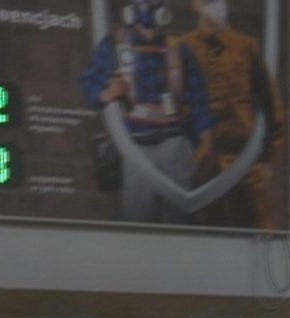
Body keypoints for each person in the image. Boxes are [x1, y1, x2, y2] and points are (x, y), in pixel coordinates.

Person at [81, 0, 213, 225]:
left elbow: (199, 97)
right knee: (138, 218)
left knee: (179, 220)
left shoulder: (180, 50)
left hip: (175, 143)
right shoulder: (113, 46)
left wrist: (206, 140)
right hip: (135, 147)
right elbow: (89, 84)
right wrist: (108, 93)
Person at [179, 0, 285, 229]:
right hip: (199, 169)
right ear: (196, 5)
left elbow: (271, 108)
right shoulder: (181, 49)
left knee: (257, 232)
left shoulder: (246, 47)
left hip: (244, 165)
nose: (218, 7)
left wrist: (266, 162)